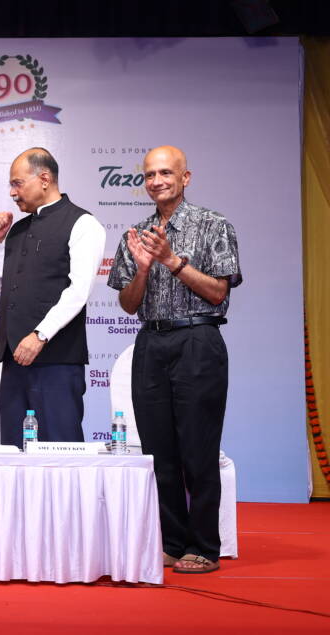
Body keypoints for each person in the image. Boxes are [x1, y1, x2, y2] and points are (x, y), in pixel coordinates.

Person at [108, 145, 241, 574]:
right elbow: (128, 305)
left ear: (186, 177)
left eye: (166, 172)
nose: (156, 180)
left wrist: (171, 260)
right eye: (149, 174)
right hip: (151, 344)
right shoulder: (136, 233)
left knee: (198, 451)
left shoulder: (212, 225)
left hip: (198, 340)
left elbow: (219, 292)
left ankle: (203, 545)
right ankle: (172, 541)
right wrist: (145, 267)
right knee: (159, 452)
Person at [0, 147, 106, 447]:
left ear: (45, 179)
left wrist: (40, 335)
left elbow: (79, 291)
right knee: (13, 450)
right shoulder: (18, 229)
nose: (12, 193)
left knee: (60, 449)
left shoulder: (82, 224)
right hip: (14, 361)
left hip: (57, 361)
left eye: (17, 183)